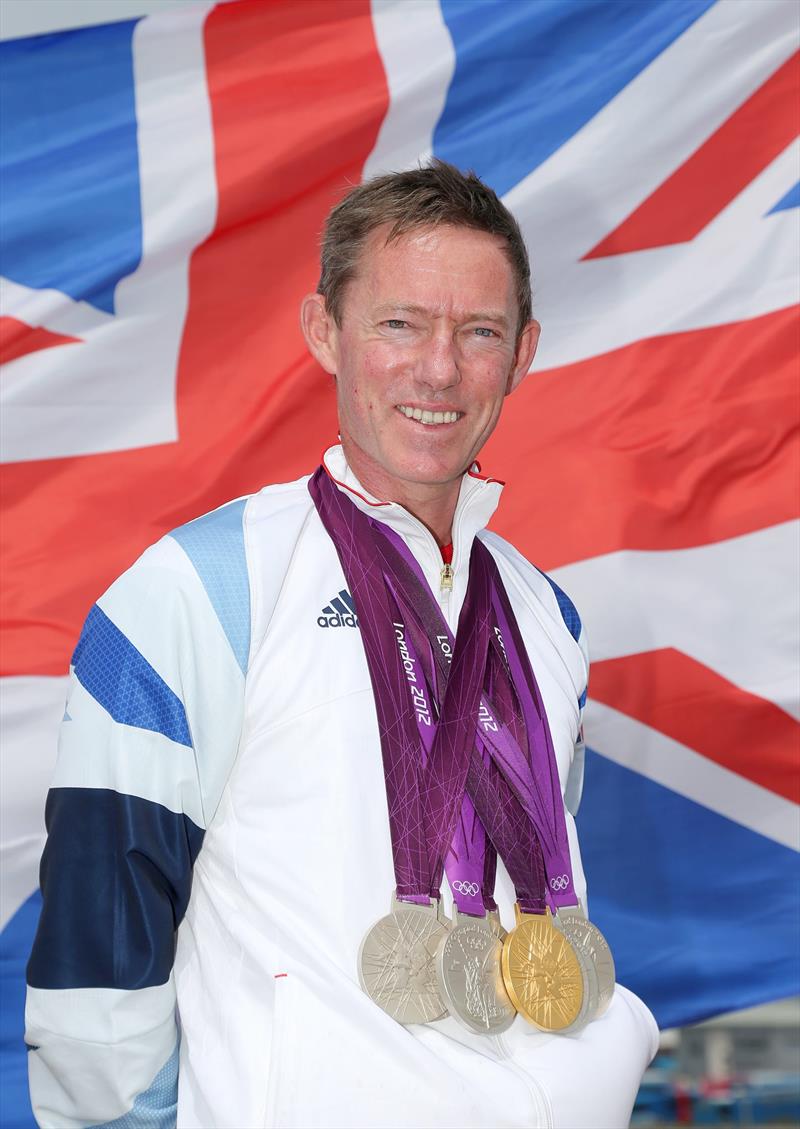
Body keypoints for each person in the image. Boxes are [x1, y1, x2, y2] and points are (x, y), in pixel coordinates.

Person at [25, 161, 658, 1129]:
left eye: (477, 331)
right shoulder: (200, 585)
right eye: (399, 323)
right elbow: (100, 937)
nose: (438, 368)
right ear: (325, 331)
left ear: (522, 353)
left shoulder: (544, 615)